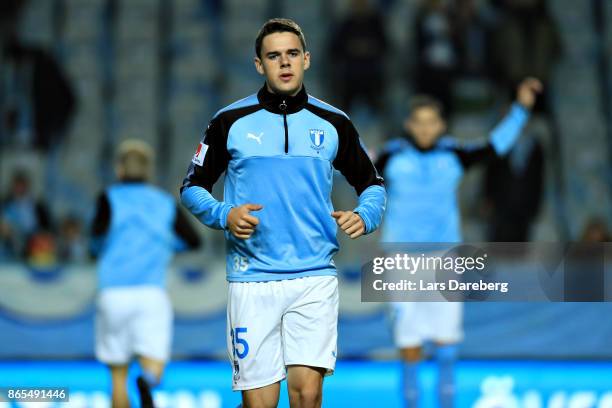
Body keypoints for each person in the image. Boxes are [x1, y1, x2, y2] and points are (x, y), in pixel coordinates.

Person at [181, 18, 386, 408]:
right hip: (251, 280)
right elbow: (191, 188)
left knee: (307, 396)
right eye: (274, 56)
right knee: (260, 404)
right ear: (259, 65)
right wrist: (224, 214)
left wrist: (366, 215)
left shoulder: (334, 122)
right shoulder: (228, 122)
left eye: (292, 54)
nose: (285, 62)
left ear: (306, 59)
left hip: (313, 277)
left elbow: (372, 184)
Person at [375, 78, 541, 408]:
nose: (424, 129)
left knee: (446, 342)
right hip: (401, 260)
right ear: (409, 125)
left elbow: (495, 146)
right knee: (408, 343)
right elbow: (348, 168)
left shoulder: (454, 154)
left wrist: (521, 109)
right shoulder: (389, 156)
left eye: (431, 122)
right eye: (418, 122)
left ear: (441, 125)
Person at [91, 140, 201, 408]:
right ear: (148, 170)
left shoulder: (108, 198)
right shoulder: (164, 202)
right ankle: (148, 381)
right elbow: (194, 240)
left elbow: (95, 242)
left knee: (118, 376)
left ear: (119, 169)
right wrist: (166, 245)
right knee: (153, 363)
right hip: (151, 294)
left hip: (113, 293)